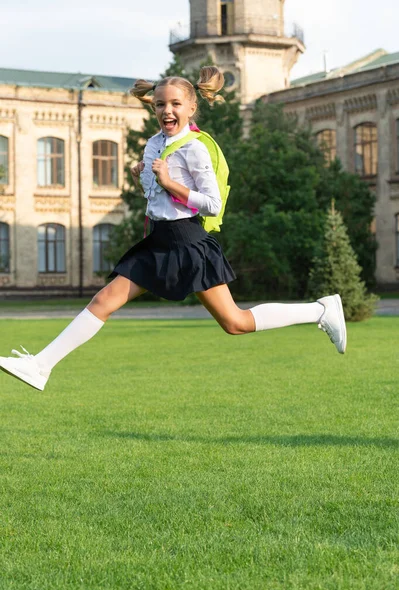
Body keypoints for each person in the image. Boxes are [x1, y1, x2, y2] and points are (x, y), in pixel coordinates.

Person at [0, 66, 346, 392]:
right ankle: (40, 365)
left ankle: (320, 309)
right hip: (159, 241)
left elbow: (211, 203)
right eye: (161, 104)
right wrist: (143, 180)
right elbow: (158, 203)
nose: (167, 110)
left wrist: (169, 181)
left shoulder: (195, 149)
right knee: (104, 299)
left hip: (188, 242)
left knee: (235, 322)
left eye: (175, 104)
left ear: (191, 107)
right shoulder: (154, 144)